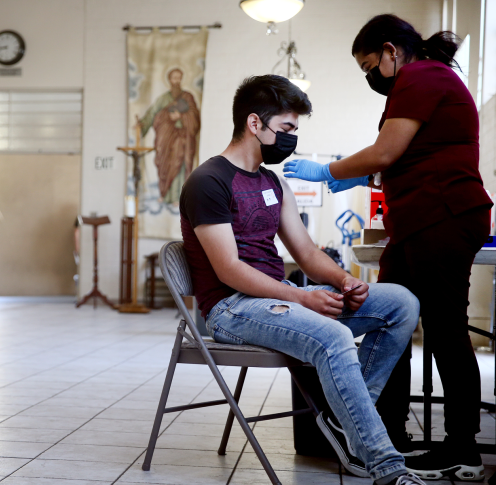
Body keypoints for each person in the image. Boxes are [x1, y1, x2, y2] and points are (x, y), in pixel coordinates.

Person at [181, 74, 423, 485]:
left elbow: (308, 255)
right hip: (231, 308)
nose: (292, 139)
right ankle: (386, 466)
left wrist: (345, 282)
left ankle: (343, 417)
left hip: (279, 299)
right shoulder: (208, 182)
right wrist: (301, 299)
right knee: (333, 337)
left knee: (402, 303)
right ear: (255, 123)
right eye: (287, 129)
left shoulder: (273, 182)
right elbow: (229, 270)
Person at [283, 14, 493, 482]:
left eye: (368, 65)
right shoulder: (423, 81)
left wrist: (328, 171)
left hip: (442, 216)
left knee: (444, 331)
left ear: (391, 51)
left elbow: (385, 152)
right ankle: (388, 437)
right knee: (391, 315)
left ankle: (464, 449)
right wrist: (359, 175)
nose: (369, 77)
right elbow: (402, 157)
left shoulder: (422, 74)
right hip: (419, 223)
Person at [137, 68, 201, 204]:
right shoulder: (164, 98)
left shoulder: (188, 97)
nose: (176, 81)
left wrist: (182, 116)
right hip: (166, 139)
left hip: (183, 138)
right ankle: (166, 195)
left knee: (180, 164)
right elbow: (152, 113)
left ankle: (179, 197)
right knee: (166, 164)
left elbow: (195, 117)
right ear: (169, 80)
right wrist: (142, 124)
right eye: (174, 78)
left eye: (179, 78)